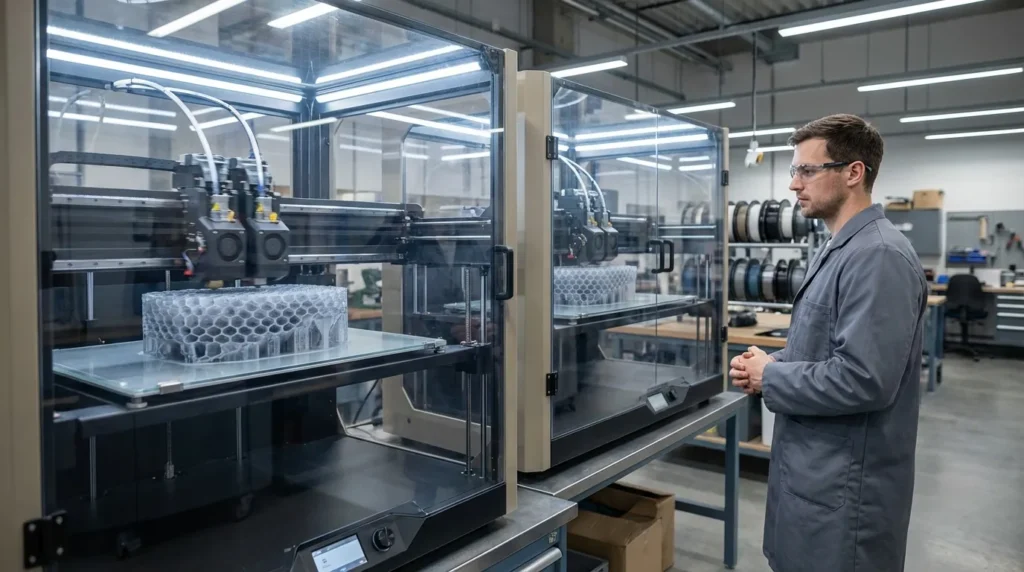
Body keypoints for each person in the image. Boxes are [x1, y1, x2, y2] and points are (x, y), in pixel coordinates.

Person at [730, 114, 927, 572]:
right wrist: (773, 361)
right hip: (813, 474)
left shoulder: (878, 256)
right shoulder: (838, 246)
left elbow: (864, 380)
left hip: (847, 490)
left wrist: (773, 376)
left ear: (853, 173)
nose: (794, 184)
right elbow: (829, 346)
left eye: (806, 171)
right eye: (794, 171)